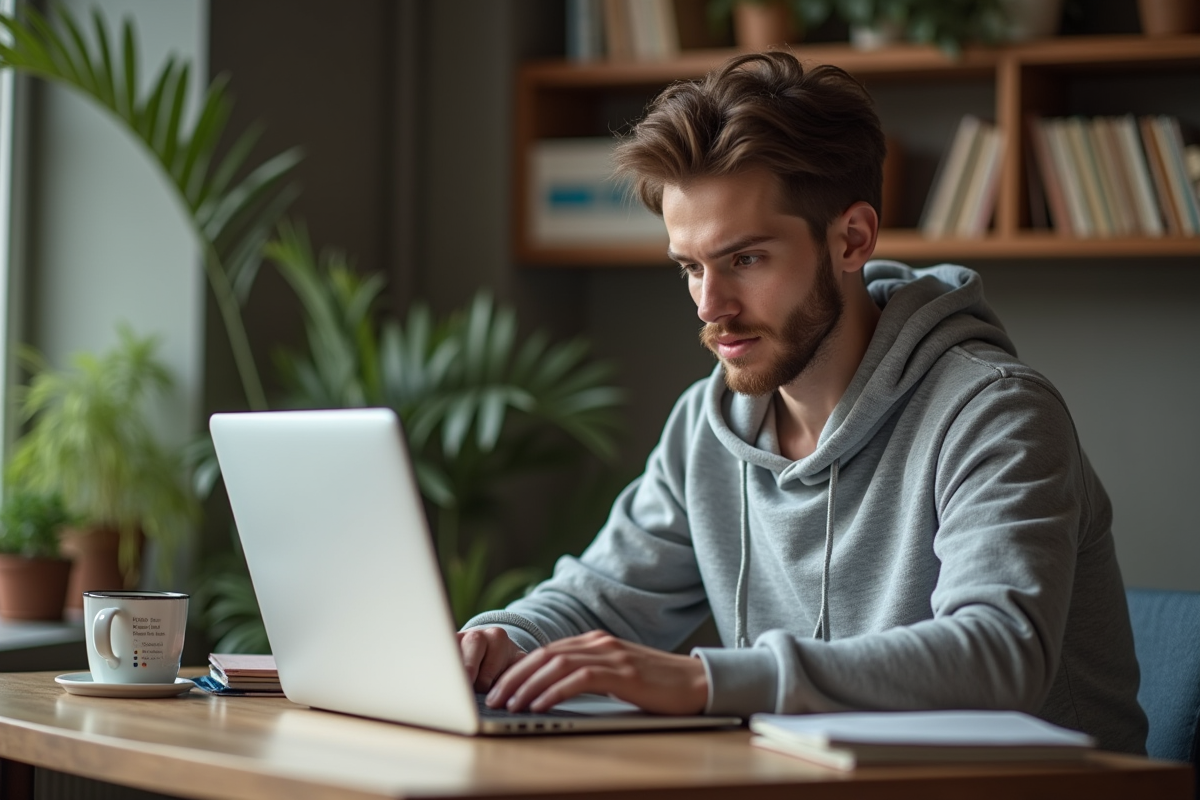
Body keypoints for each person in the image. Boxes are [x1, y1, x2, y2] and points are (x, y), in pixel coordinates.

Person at [458, 51, 1147, 754]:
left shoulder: (995, 414)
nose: (710, 306)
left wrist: (703, 683)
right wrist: (498, 639)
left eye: (745, 259)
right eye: (691, 267)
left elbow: (998, 656)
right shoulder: (709, 426)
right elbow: (598, 598)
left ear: (852, 239)